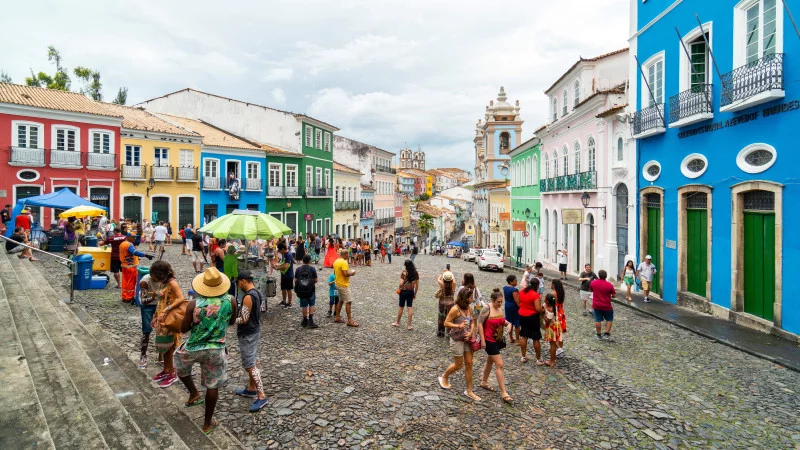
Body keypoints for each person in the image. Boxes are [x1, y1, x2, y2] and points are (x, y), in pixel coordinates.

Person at [175, 267, 237, 434]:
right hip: (216, 349)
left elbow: (183, 329)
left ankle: (193, 392)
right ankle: (207, 422)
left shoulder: (194, 304)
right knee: (212, 385)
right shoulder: (231, 300)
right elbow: (231, 322)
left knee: (179, 364)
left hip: (194, 346)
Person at [233, 270, 269, 412]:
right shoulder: (257, 293)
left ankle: (261, 395)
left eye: (238, 283)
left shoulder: (248, 297)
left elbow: (244, 319)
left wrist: (230, 320)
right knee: (251, 361)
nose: (238, 285)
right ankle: (251, 388)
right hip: (254, 331)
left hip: (248, 333)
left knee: (250, 365)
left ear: (243, 280)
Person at [438, 287, 480, 401]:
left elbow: (472, 322)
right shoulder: (455, 309)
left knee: (469, 363)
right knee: (458, 365)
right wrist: (458, 326)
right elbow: (446, 322)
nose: (472, 299)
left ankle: (469, 391)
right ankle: (444, 376)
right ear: (465, 298)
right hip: (457, 339)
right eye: (470, 297)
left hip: (467, 338)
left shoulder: (469, 308)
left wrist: (471, 332)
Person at [149, 261, 183, 386]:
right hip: (161, 319)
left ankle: (173, 373)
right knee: (164, 347)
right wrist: (155, 316)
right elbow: (160, 301)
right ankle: (166, 369)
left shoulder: (172, 283)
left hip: (170, 319)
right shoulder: (163, 283)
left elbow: (181, 298)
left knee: (171, 347)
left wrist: (167, 310)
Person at [479, 289, 512, 403]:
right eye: (498, 302)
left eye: (501, 302)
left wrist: (508, 324)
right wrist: (482, 340)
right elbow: (479, 323)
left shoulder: (499, 308)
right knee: (499, 364)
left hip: (497, 339)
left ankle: (484, 381)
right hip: (489, 340)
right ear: (492, 300)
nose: (500, 304)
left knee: (490, 360)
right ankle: (504, 392)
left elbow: (502, 320)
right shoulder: (487, 308)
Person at [120, 233, 152, 303]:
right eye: (133, 237)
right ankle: (129, 297)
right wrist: (145, 255)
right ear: (128, 237)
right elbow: (134, 252)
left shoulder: (123, 243)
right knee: (131, 283)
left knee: (125, 282)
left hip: (125, 266)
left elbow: (127, 254)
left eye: (135, 237)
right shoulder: (129, 245)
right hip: (130, 267)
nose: (134, 239)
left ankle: (125, 296)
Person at [518, 278, 542, 364]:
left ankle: (523, 356)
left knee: (524, 336)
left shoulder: (521, 291)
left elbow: (519, 301)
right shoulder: (535, 295)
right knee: (536, 338)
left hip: (522, 315)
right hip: (532, 317)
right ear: (537, 285)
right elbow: (538, 308)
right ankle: (538, 359)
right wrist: (543, 310)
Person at [333, 248, 358, 327]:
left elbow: (335, 272)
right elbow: (345, 274)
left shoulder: (336, 261)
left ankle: (337, 317)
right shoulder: (344, 262)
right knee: (348, 301)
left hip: (338, 283)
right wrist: (352, 273)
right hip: (343, 285)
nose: (348, 256)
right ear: (345, 254)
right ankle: (349, 320)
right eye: (348, 254)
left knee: (341, 301)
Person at [590, 270, 616, 341]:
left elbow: (591, 290)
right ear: (606, 276)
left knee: (597, 319)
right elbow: (614, 295)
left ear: (599, 275)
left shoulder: (593, 283)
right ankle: (606, 334)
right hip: (607, 305)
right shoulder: (609, 285)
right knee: (609, 319)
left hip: (597, 305)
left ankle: (598, 335)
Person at [294, 254, 319, 328]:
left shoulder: (298, 269)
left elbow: (295, 280)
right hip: (311, 290)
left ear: (302, 260)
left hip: (301, 291)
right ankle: (311, 320)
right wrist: (310, 284)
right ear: (309, 261)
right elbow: (316, 280)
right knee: (311, 304)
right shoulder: (312, 269)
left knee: (304, 305)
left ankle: (305, 320)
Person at [393, 259, 419, 330]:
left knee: (401, 307)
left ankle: (397, 322)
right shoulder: (416, 273)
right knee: (409, 307)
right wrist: (415, 294)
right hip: (411, 292)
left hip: (403, 292)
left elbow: (401, 283)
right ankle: (409, 325)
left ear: (405, 265)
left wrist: (400, 286)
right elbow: (417, 286)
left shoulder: (404, 273)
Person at [542, 293, 562, 367]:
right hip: (554, 326)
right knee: (552, 343)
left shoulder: (551, 309)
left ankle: (552, 361)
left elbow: (547, 320)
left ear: (547, 301)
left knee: (553, 344)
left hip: (552, 327)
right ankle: (552, 359)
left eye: (545, 298)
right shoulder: (549, 305)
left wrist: (543, 314)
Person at [274, 242, 295, 309]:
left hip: (289, 275)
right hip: (284, 274)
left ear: (283, 249)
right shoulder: (284, 254)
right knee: (283, 288)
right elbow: (283, 263)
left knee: (288, 289)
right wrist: (279, 265)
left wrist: (278, 268)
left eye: (280, 250)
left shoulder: (288, 255)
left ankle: (289, 303)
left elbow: (286, 266)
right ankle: (284, 301)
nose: (279, 251)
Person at [436, 270, 456, 337]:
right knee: (450, 318)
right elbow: (454, 281)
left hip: (442, 303)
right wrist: (451, 273)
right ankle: (449, 333)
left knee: (441, 318)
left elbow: (438, 279)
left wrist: (442, 274)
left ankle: (441, 332)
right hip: (451, 304)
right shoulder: (453, 285)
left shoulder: (442, 284)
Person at [503, 274, 520, 344]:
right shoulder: (514, 290)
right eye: (515, 281)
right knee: (516, 323)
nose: (516, 282)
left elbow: (505, 297)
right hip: (513, 306)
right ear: (511, 282)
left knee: (509, 322)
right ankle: (517, 340)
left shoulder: (505, 288)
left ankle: (510, 338)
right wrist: (520, 307)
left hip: (507, 304)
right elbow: (516, 300)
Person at [551, 279, 567, 358]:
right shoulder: (561, 293)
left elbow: (552, 304)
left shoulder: (553, 294)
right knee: (560, 334)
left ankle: (559, 349)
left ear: (553, 285)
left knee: (553, 334)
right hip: (561, 313)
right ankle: (560, 349)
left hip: (556, 314)